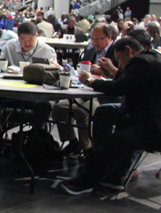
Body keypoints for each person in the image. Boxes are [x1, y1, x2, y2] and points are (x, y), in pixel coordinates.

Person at [61, 37, 161, 194]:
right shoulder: (155, 58)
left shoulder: (140, 62)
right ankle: (113, 177)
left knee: (117, 140)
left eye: (119, 60)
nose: (120, 65)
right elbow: (130, 82)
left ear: (128, 51)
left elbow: (119, 87)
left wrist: (90, 82)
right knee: (118, 122)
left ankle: (88, 181)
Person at [51, 24, 119, 157]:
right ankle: (72, 142)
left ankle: (88, 150)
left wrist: (103, 73)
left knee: (82, 111)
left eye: (99, 39)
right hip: (86, 89)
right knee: (59, 107)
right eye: (92, 39)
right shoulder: (90, 50)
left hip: (104, 95)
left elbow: (120, 75)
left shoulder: (117, 52)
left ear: (109, 37)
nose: (95, 42)